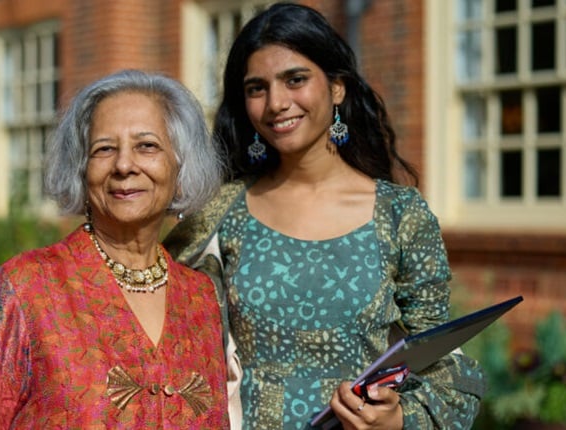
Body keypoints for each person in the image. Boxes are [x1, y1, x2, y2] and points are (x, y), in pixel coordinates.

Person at [164, 3, 485, 429]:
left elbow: (440, 358)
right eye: (257, 88)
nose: (277, 103)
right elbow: (156, 316)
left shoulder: (399, 215)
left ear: (337, 88)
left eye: (295, 80)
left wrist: (399, 418)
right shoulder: (220, 212)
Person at [0, 69, 229, 428]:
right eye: (104, 149)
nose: (123, 165)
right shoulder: (21, 289)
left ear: (180, 165)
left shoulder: (202, 298)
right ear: (81, 169)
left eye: (146, 145)